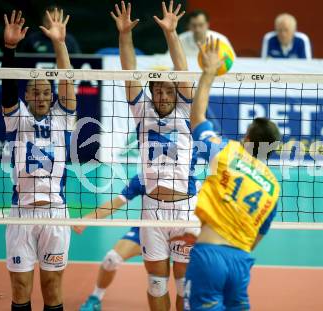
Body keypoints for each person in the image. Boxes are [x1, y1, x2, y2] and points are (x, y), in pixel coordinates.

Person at [111, 1, 199, 310]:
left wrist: (172, 34)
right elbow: (129, 72)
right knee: (156, 284)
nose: (161, 95)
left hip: (186, 212)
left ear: (176, 93)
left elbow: (184, 70)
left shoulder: (187, 110)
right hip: (152, 212)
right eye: (157, 90)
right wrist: (125, 36)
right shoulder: (141, 111)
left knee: (185, 290)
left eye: (167, 90)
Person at [183, 37, 281, 310]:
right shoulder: (273, 186)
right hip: (240, 262)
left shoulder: (227, 152)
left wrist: (209, 72)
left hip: (209, 257)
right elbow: (259, 233)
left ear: (248, 138)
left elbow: (197, 118)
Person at [2, 9, 76, 311]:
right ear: (28, 96)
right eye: (36, 92)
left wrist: (60, 44)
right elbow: (7, 86)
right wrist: (9, 49)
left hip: (56, 213)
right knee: (20, 287)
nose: (43, 97)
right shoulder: (16, 117)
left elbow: (67, 80)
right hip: (21, 213)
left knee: (52, 285)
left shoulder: (63, 116)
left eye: (47, 92)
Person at [74, 175, 145, 311]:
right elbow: (115, 203)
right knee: (111, 259)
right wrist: (88, 218)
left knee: (170, 280)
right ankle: (95, 298)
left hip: (176, 232)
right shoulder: (142, 178)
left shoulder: (186, 177)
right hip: (145, 231)